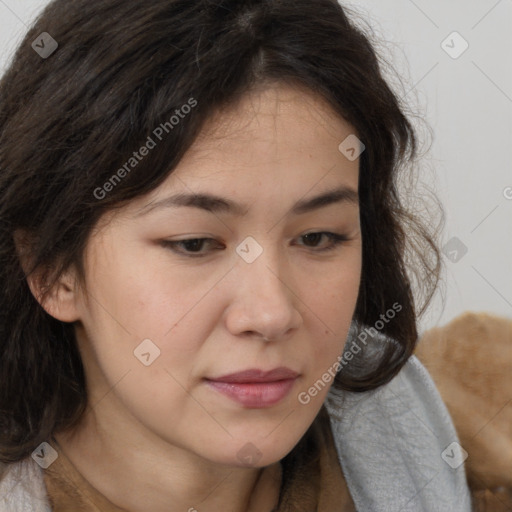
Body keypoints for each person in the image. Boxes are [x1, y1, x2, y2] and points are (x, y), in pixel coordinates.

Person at [0, 0, 472, 510]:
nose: (271, 314)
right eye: (194, 244)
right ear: (52, 270)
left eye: (317, 238)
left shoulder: (425, 427)